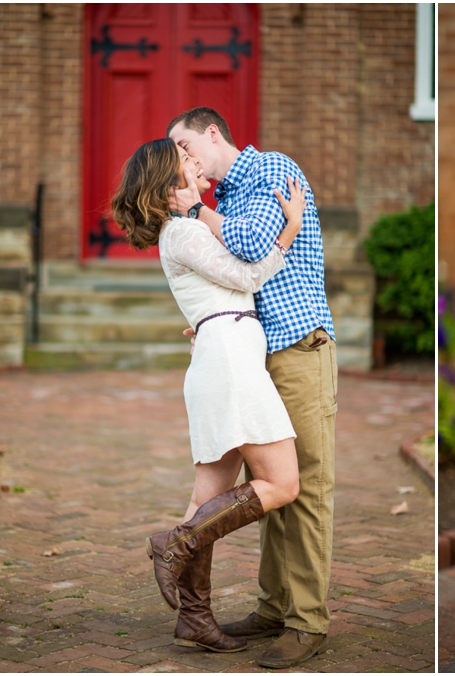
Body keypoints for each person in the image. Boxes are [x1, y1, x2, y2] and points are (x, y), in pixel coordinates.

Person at [111, 138, 307, 653]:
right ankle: (174, 543)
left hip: (224, 352)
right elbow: (244, 274)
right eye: (186, 160)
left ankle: (195, 616)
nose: (197, 163)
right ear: (168, 179)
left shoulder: (190, 229)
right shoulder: (182, 232)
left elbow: (224, 287)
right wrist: (290, 228)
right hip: (229, 362)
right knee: (283, 484)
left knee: (204, 502)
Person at [166, 107, 337, 669]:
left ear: (213, 133)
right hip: (259, 351)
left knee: (304, 486)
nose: (186, 160)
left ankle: (307, 622)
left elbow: (249, 241)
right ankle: (273, 606)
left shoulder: (269, 170)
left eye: (187, 146)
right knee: (271, 481)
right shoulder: (228, 196)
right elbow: (236, 274)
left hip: (299, 345)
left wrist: (197, 208)